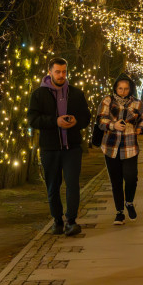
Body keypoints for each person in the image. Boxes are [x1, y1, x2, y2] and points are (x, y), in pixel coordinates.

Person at [27, 57, 92, 236]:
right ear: (50, 72)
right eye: (57, 72)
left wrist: (77, 121)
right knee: (52, 186)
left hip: (72, 147)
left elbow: (86, 117)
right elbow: (32, 120)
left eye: (64, 72)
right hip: (50, 148)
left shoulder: (76, 93)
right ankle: (57, 220)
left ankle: (71, 221)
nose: (61, 75)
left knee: (72, 184)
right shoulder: (38, 95)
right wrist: (55, 121)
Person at [96, 74, 143, 225]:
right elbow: (100, 120)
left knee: (131, 176)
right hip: (111, 146)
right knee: (116, 180)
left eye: (126, 89)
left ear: (130, 89)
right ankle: (119, 212)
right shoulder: (108, 101)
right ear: (115, 88)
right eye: (120, 88)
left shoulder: (137, 104)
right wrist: (113, 125)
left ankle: (129, 202)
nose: (123, 91)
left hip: (130, 145)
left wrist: (141, 128)